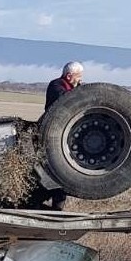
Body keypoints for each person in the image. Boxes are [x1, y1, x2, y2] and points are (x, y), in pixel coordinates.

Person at [41, 61, 84, 211]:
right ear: (69, 76)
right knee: (54, 173)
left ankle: (57, 209)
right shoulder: (56, 85)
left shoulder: (72, 87)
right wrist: (81, 93)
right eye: (78, 76)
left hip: (64, 134)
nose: (80, 80)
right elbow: (64, 100)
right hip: (51, 133)